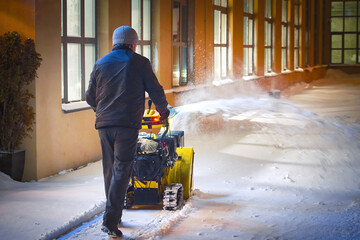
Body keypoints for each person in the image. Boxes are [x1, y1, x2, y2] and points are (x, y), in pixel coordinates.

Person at [86, 26, 169, 238]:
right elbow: (155, 90)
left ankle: (114, 214)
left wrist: (101, 111)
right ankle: (111, 220)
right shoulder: (140, 62)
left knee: (110, 170)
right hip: (126, 125)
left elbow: (89, 97)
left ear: (114, 43)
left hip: (104, 125)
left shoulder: (100, 63)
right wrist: (163, 111)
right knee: (122, 170)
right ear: (133, 44)